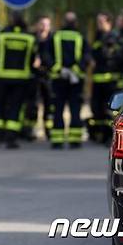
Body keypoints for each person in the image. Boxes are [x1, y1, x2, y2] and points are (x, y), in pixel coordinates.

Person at [0, 11, 37, 149]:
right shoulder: (29, 38)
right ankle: (11, 138)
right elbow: (33, 59)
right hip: (21, 79)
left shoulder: (1, 36)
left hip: (1, 78)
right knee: (16, 107)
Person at [46, 11, 90, 149]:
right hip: (76, 80)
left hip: (58, 79)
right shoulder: (80, 37)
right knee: (75, 109)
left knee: (58, 109)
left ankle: (57, 141)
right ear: (75, 23)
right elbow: (87, 57)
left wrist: (58, 69)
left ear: (64, 22)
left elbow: (46, 55)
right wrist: (75, 71)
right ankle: (75, 140)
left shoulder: (55, 36)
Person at [88, 11, 117, 144]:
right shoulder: (99, 37)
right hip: (97, 79)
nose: (98, 25)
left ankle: (108, 136)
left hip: (108, 79)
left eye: (101, 22)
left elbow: (108, 56)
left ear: (109, 22)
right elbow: (93, 53)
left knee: (108, 110)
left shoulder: (112, 36)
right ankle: (99, 133)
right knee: (96, 108)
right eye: (97, 22)